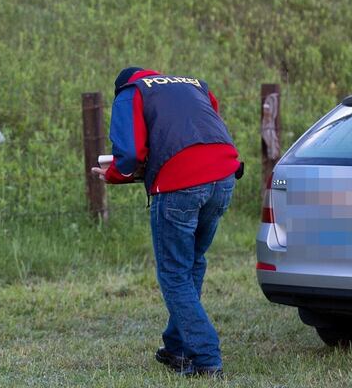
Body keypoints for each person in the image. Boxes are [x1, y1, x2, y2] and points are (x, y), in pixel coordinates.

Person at [91, 67, 240, 377]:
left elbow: (129, 153)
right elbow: (204, 127)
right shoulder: (195, 84)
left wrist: (115, 175)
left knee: (173, 273)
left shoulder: (131, 91)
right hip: (224, 174)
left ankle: (205, 358)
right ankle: (177, 347)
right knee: (193, 262)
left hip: (180, 186)